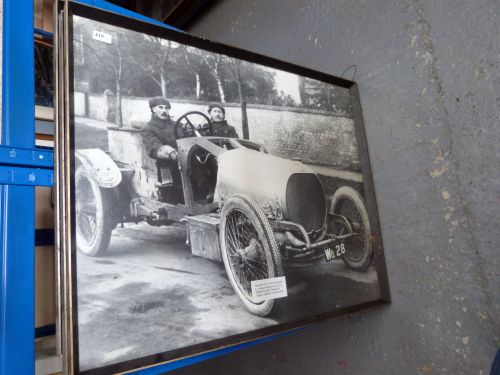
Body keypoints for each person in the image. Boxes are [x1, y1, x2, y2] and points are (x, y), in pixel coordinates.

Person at [141, 96, 181, 185]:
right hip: (166, 166)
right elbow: (154, 147)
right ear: (153, 109)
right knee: (171, 191)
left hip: (185, 161)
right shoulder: (148, 128)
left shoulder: (176, 125)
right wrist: (171, 152)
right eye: (160, 107)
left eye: (166, 108)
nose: (164, 110)